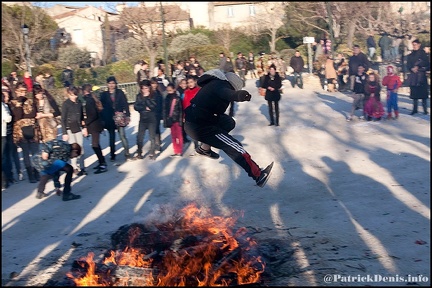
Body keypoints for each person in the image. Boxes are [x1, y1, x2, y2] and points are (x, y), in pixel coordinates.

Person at [184, 69, 273, 187]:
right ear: (233, 86)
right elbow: (228, 94)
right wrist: (240, 95)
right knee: (234, 145)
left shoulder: (214, 84)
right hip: (200, 127)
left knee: (228, 122)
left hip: (197, 120)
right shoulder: (222, 86)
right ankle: (258, 175)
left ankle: (204, 149)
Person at [9, 82, 40, 183]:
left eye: (25, 91)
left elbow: (33, 114)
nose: (23, 93)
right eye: (21, 91)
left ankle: (36, 171)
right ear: (16, 91)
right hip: (20, 132)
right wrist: (19, 103)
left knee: (35, 152)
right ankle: (30, 173)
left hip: (32, 129)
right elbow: (17, 116)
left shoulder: (30, 101)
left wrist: (25, 116)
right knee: (26, 153)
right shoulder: (13, 103)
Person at [100, 76, 131, 161]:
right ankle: (112, 154)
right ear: (107, 84)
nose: (111, 85)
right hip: (109, 118)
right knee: (112, 137)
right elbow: (101, 108)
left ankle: (127, 153)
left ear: (115, 84)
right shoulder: (104, 95)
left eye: (113, 83)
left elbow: (125, 104)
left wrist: (127, 114)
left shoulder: (120, 92)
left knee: (122, 135)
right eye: (109, 83)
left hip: (120, 116)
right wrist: (102, 119)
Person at [61, 86, 87, 176]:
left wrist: (84, 127)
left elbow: (82, 117)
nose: (73, 97)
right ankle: (74, 167)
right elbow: (63, 119)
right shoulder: (66, 104)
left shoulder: (79, 103)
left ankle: (83, 167)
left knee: (81, 147)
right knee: (73, 148)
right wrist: (64, 132)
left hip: (78, 127)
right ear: (68, 94)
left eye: (75, 95)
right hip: (69, 128)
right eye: (71, 95)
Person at [82, 84, 107, 174]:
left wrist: (85, 122)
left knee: (95, 145)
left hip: (94, 126)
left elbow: (92, 114)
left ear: (84, 91)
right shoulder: (92, 99)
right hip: (96, 125)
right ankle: (101, 162)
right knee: (96, 145)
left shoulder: (89, 101)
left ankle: (103, 164)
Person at [133, 80, 158, 160]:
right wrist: (144, 107)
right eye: (143, 88)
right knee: (139, 137)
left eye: (146, 88)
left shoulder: (154, 95)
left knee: (152, 137)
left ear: (149, 88)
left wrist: (146, 99)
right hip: (143, 119)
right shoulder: (139, 96)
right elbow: (136, 107)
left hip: (151, 119)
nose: (144, 90)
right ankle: (139, 153)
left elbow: (153, 106)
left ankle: (152, 152)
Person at [406, 39, 430, 115]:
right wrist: (411, 68)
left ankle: (425, 109)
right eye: (413, 45)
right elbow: (408, 64)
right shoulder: (410, 55)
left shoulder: (423, 54)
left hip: (421, 76)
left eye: (415, 45)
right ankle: (414, 109)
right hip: (414, 76)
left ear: (419, 45)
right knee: (414, 93)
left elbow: (427, 64)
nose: (414, 46)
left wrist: (419, 67)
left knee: (423, 94)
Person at [163, 83, 183, 157]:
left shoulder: (177, 98)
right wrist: (165, 121)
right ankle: (176, 150)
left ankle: (179, 150)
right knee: (173, 136)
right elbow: (165, 110)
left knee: (179, 136)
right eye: (168, 90)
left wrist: (181, 120)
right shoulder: (166, 98)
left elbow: (181, 110)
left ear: (174, 89)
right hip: (170, 120)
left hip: (177, 119)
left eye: (170, 90)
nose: (169, 92)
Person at [182, 76, 200, 149]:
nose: (190, 84)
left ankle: (203, 147)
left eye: (191, 82)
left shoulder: (199, 91)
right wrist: (184, 115)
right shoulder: (186, 92)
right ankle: (196, 147)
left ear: (195, 82)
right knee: (193, 131)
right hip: (189, 114)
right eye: (188, 83)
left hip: (198, 113)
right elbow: (184, 104)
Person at [2, 89, 13, 189]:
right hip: (2, 134)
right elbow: (8, 118)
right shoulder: (2, 106)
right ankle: (6, 179)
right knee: (4, 157)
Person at [150, 77, 164, 153]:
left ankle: (158, 143)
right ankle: (155, 143)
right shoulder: (149, 93)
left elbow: (161, 103)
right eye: (152, 83)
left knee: (156, 129)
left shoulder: (159, 92)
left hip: (157, 113)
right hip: (151, 113)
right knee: (152, 129)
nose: (154, 85)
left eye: (155, 83)